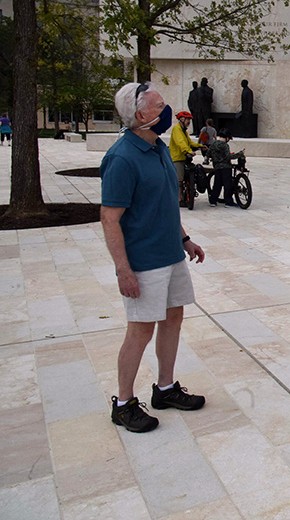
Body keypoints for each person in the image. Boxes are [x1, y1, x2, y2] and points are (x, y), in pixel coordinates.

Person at [100, 82, 206, 433]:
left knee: (173, 318)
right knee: (140, 331)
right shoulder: (121, 158)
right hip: (144, 263)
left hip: (171, 256)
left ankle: (164, 388)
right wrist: (123, 270)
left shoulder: (158, 147)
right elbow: (110, 218)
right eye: (160, 105)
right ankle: (124, 402)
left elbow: (165, 205)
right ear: (141, 115)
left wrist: (185, 240)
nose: (167, 110)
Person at [207, 128, 242, 206]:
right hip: (226, 167)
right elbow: (228, 156)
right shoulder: (225, 145)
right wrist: (240, 154)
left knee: (217, 184)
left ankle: (213, 201)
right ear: (227, 138)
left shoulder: (214, 144)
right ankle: (228, 201)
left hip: (217, 167)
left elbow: (208, 153)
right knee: (227, 184)